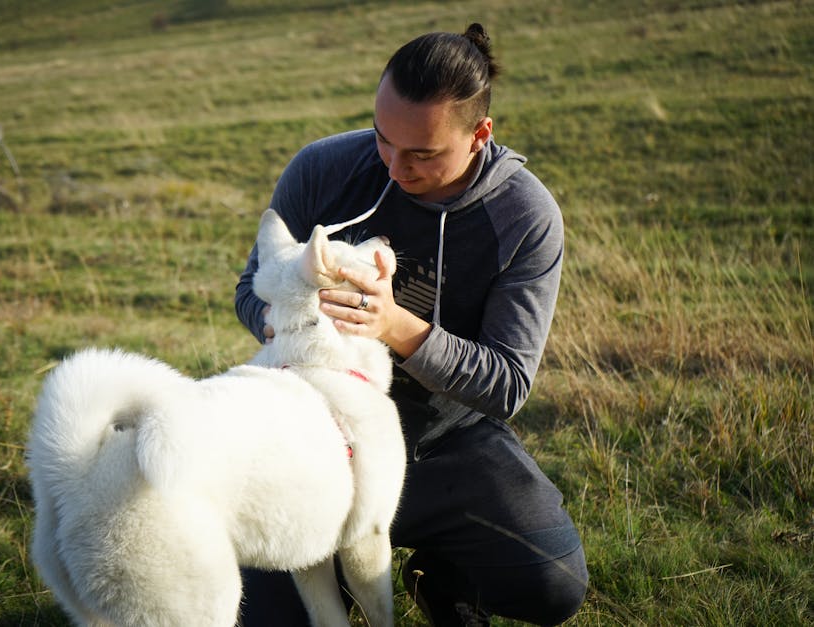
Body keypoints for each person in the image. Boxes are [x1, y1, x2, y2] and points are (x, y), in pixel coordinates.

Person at [234, 23, 588, 627]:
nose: (396, 168)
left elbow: (506, 385)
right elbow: (250, 293)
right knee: (265, 616)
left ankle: (440, 580)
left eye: (422, 153)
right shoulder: (322, 169)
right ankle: (337, 572)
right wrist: (300, 324)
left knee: (552, 585)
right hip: (311, 439)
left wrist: (396, 325)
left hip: (445, 443)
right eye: (383, 140)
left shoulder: (525, 216)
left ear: (480, 134)